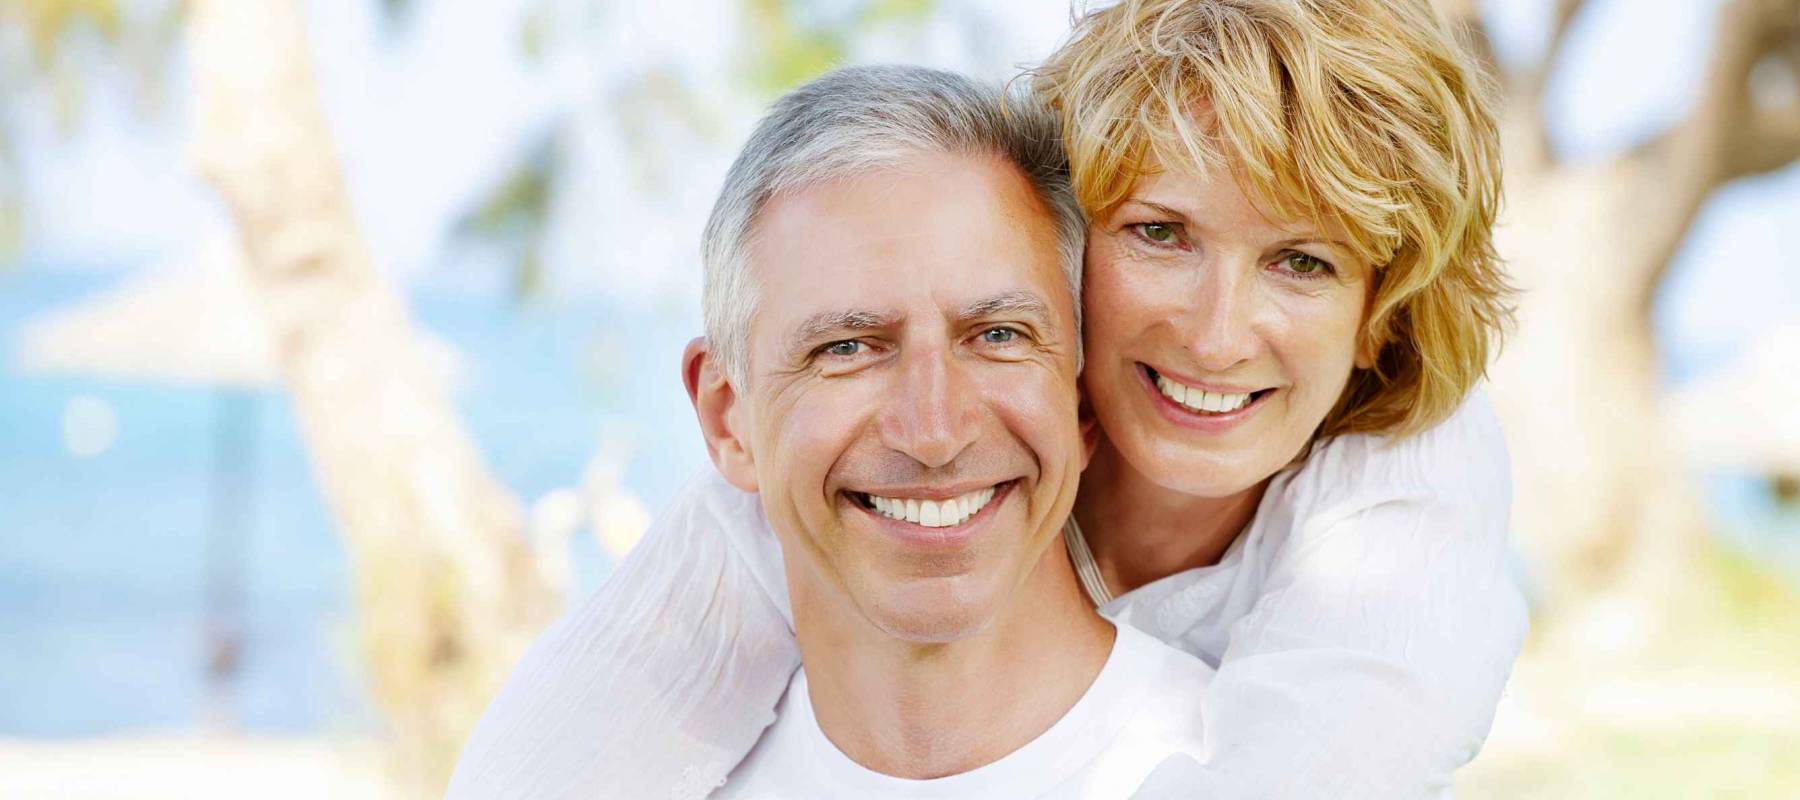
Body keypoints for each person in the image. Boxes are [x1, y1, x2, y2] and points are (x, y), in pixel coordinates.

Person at [450, 0, 1524, 797]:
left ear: (1382, 309)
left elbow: (1335, 750)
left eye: (1303, 262)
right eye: (1160, 232)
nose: (1214, 331)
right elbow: (561, 751)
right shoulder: (826, 465)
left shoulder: (1404, 494)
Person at [690, 66, 1216, 798]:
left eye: (999, 335)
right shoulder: (657, 777)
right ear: (727, 417)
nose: (934, 433)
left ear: (1082, 397)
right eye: (846, 348)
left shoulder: (1260, 766)